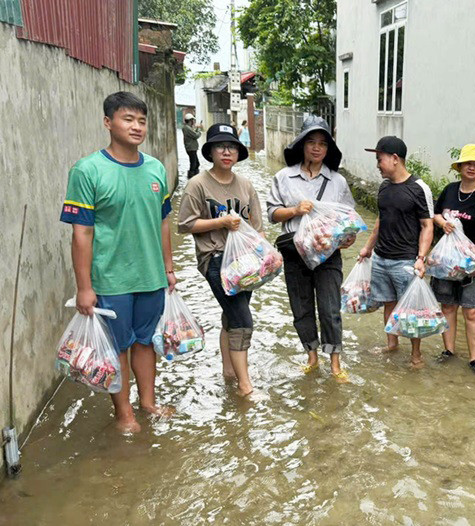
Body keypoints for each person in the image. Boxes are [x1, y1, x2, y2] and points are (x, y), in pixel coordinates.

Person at [60, 91, 176, 433]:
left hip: (151, 276)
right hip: (111, 280)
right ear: (108, 123)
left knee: (145, 342)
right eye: (128, 119)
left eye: (141, 120)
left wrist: (168, 268)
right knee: (118, 348)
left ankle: (148, 402)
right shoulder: (87, 171)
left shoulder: (155, 168)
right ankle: (124, 413)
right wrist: (84, 287)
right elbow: (81, 234)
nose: (137, 126)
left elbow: (163, 221)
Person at [266, 116, 356, 382]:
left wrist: (348, 237)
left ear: (328, 150)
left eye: (322, 144)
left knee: (329, 308)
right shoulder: (283, 177)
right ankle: (312, 357)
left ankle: (335, 363)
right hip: (295, 253)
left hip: (327, 253)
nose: (317, 148)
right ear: (302, 145)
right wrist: (295, 210)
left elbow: (348, 217)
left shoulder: (337, 181)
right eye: (311, 142)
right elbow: (272, 214)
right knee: (301, 307)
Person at [177, 123, 261, 396]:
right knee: (243, 320)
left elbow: (257, 228)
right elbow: (185, 225)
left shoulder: (246, 185)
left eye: (232, 147)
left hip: (246, 263)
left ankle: (228, 370)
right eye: (220, 146)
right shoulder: (197, 185)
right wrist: (221, 222)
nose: (227, 151)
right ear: (210, 151)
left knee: (231, 314)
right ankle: (244, 387)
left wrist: (265, 257)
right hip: (214, 258)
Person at [359, 136, 434, 368]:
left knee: (412, 311)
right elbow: (380, 222)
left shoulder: (419, 188)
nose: (377, 165)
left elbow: (427, 225)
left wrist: (421, 259)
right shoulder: (384, 187)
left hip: (405, 261)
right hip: (381, 258)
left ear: (394, 159)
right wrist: (367, 248)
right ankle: (391, 344)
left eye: (379, 159)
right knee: (389, 303)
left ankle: (416, 355)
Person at [431, 144, 475, 373]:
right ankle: (448, 350)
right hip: (447, 264)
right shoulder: (450, 190)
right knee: (448, 306)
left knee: (472, 311)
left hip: (473, 265)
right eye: (468, 163)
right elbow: (436, 214)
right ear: (460, 167)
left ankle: (474, 359)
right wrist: (443, 223)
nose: (472, 168)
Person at [182, 113, 203, 178]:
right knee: (194, 164)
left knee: (196, 164)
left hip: (192, 148)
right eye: (192, 120)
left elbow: (193, 134)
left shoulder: (188, 128)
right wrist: (199, 130)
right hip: (191, 148)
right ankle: (191, 177)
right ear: (190, 120)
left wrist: (196, 129)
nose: (193, 122)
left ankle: (194, 177)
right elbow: (196, 136)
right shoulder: (187, 128)